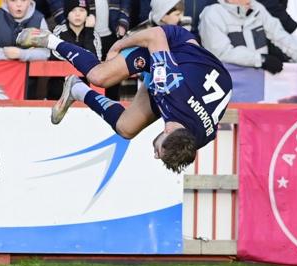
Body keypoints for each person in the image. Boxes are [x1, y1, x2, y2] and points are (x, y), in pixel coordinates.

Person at [16, 24, 232, 173]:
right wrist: (120, 44)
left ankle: (76, 89)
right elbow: (156, 36)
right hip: (174, 46)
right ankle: (49, 39)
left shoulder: (197, 140)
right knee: (100, 76)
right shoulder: (169, 85)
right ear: (167, 131)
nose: (156, 156)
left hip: (193, 78)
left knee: (126, 128)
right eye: (160, 152)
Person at [198, 0, 297, 75]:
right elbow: (221, 52)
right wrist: (260, 60)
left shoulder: (256, 7)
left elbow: (278, 34)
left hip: (259, 81)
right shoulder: (212, 14)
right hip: (228, 83)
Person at [47, 0, 102, 100]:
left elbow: (95, 62)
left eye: (81, 10)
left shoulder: (93, 35)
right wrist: (82, 59)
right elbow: (55, 57)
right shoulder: (58, 32)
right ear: (67, 14)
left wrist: (89, 33)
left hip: (84, 89)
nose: (77, 14)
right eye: (73, 11)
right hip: (59, 88)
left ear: (87, 15)